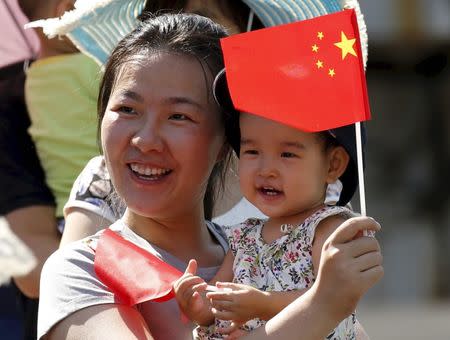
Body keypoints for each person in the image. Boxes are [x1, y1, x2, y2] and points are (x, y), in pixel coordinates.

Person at [37, 13, 382, 340]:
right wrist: (319, 308)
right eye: (127, 109)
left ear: (223, 144)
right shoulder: (84, 271)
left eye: (179, 117)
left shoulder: (264, 250)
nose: (145, 140)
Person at [174, 66, 371, 338]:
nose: (266, 169)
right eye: (252, 151)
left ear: (333, 164)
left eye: (287, 154)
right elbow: (218, 301)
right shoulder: (245, 236)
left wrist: (263, 304)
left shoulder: (326, 229)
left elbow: (332, 300)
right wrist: (199, 305)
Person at [59, 0, 258, 247]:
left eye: (203, 20)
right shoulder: (105, 181)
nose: (182, 32)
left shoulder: (290, 174)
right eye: (127, 109)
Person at [19, 0, 102, 234]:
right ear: (67, 11)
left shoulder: (33, 78)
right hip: (114, 200)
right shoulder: (93, 66)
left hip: (71, 213)